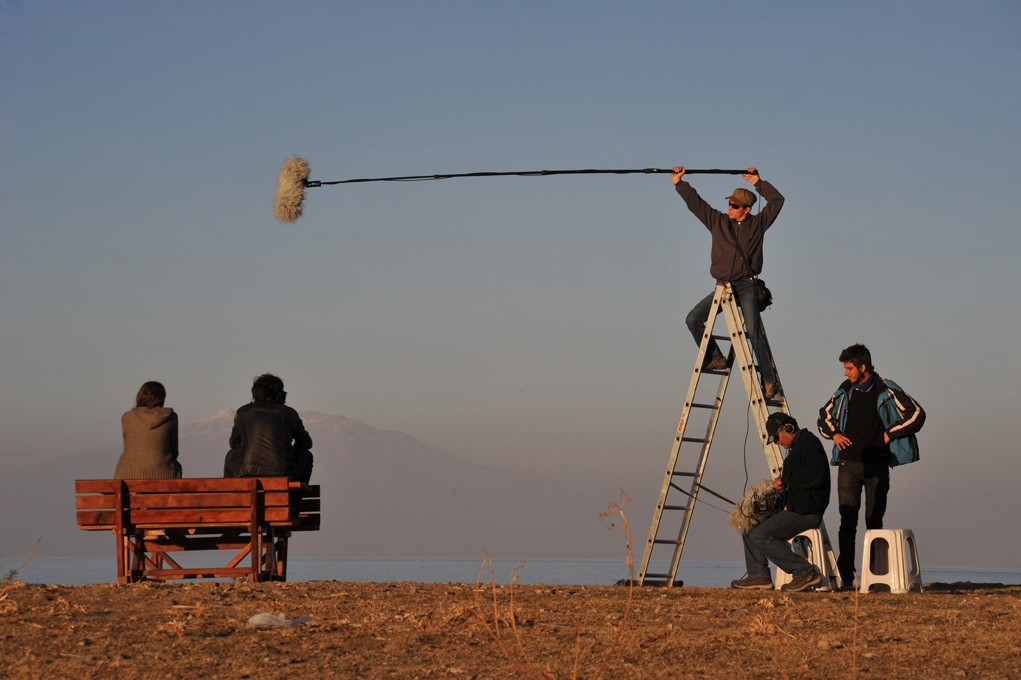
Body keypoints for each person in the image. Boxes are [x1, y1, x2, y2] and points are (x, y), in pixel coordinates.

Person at [817, 343, 925, 588]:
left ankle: (876, 579)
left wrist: (889, 435)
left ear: (862, 367)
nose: (845, 373)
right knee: (847, 522)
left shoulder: (886, 388)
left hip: (877, 466)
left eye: (849, 368)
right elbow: (823, 416)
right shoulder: (845, 389)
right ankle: (846, 577)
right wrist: (834, 435)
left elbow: (917, 414)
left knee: (874, 522)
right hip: (848, 464)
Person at [672, 166, 785, 398]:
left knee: (754, 332)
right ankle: (716, 357)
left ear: (747, 209)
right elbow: (697, 204)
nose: (729, 208)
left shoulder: (758, 224)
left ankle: (769, 381)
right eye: (729, 204)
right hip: (723, 286)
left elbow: (777, 200)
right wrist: (679, 183)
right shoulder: (718, 221)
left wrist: (758, 182)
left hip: (746, 285)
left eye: (734, 206)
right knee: (692, 319)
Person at [731, 412, 831, 592]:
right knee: (749, 523)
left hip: (806, 512)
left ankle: (806, 572)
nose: (777, 442)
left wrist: (785, 479)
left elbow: (816, 476)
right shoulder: (799, 447)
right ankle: (759, 576)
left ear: (788, 428)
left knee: (760, 535)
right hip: (796, 508)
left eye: (776, 437)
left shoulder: (809, 444)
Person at [224, 374, 313, 483]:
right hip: (284, 476)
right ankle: (294, 499)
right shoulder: (288, 413)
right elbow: (306, 443)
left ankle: (232, 492)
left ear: (255, 392)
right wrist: (289, 450)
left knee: (231, 455)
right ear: (280, 393)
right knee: (306, 455)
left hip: (247, 475)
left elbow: (233, 443)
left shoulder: (243, 412)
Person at [114, 381, 183, 479]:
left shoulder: (127, 417)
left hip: (127, 475)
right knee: (177, 467)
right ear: (162, 398)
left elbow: (128, 446)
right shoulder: (171, 417)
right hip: (163, 475)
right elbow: (174, 451)